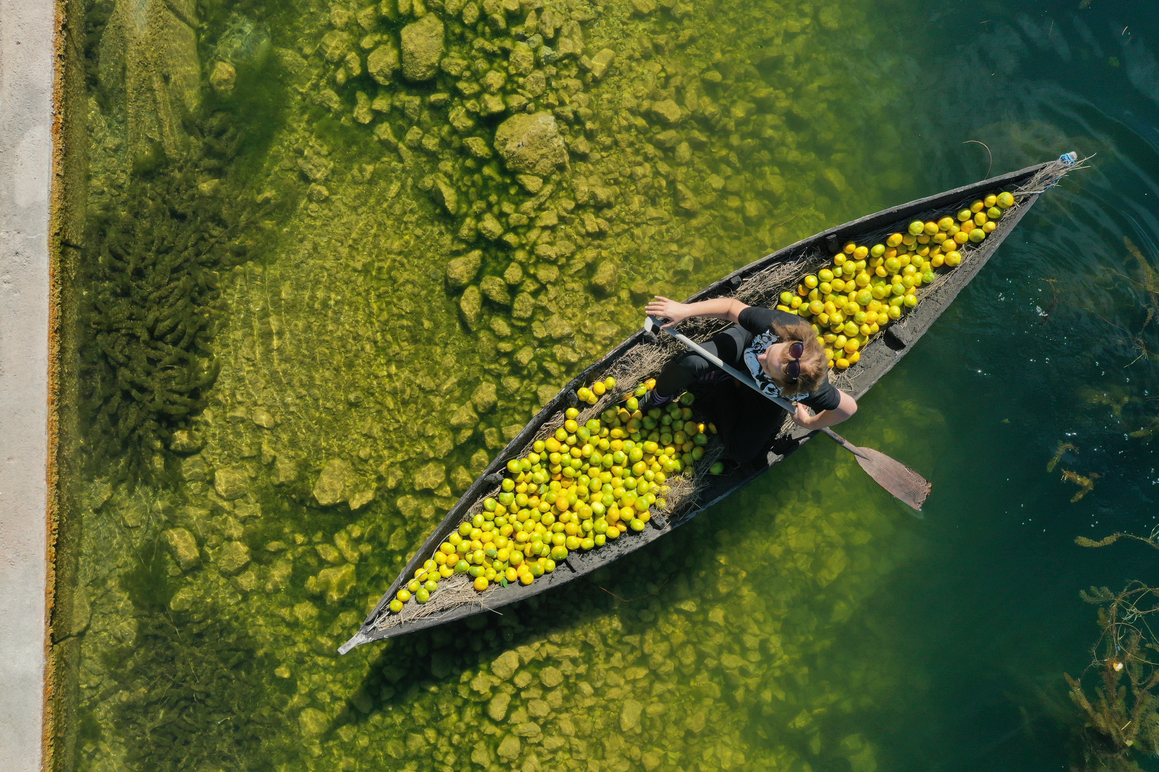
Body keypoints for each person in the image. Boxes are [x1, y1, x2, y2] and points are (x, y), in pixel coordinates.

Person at [643, 295, 858, 465]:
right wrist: (685, 310)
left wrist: (810, 423)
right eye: (770, 350)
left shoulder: (812, 391)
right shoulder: (778, 325)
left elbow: (848, 409)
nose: (761, 356)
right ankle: (659, 396)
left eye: (766, 365)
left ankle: (723, 381)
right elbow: (730, 308)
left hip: (764, 394)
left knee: (741, 453)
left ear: (785, 385)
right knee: (690, 363)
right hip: (743, 346)